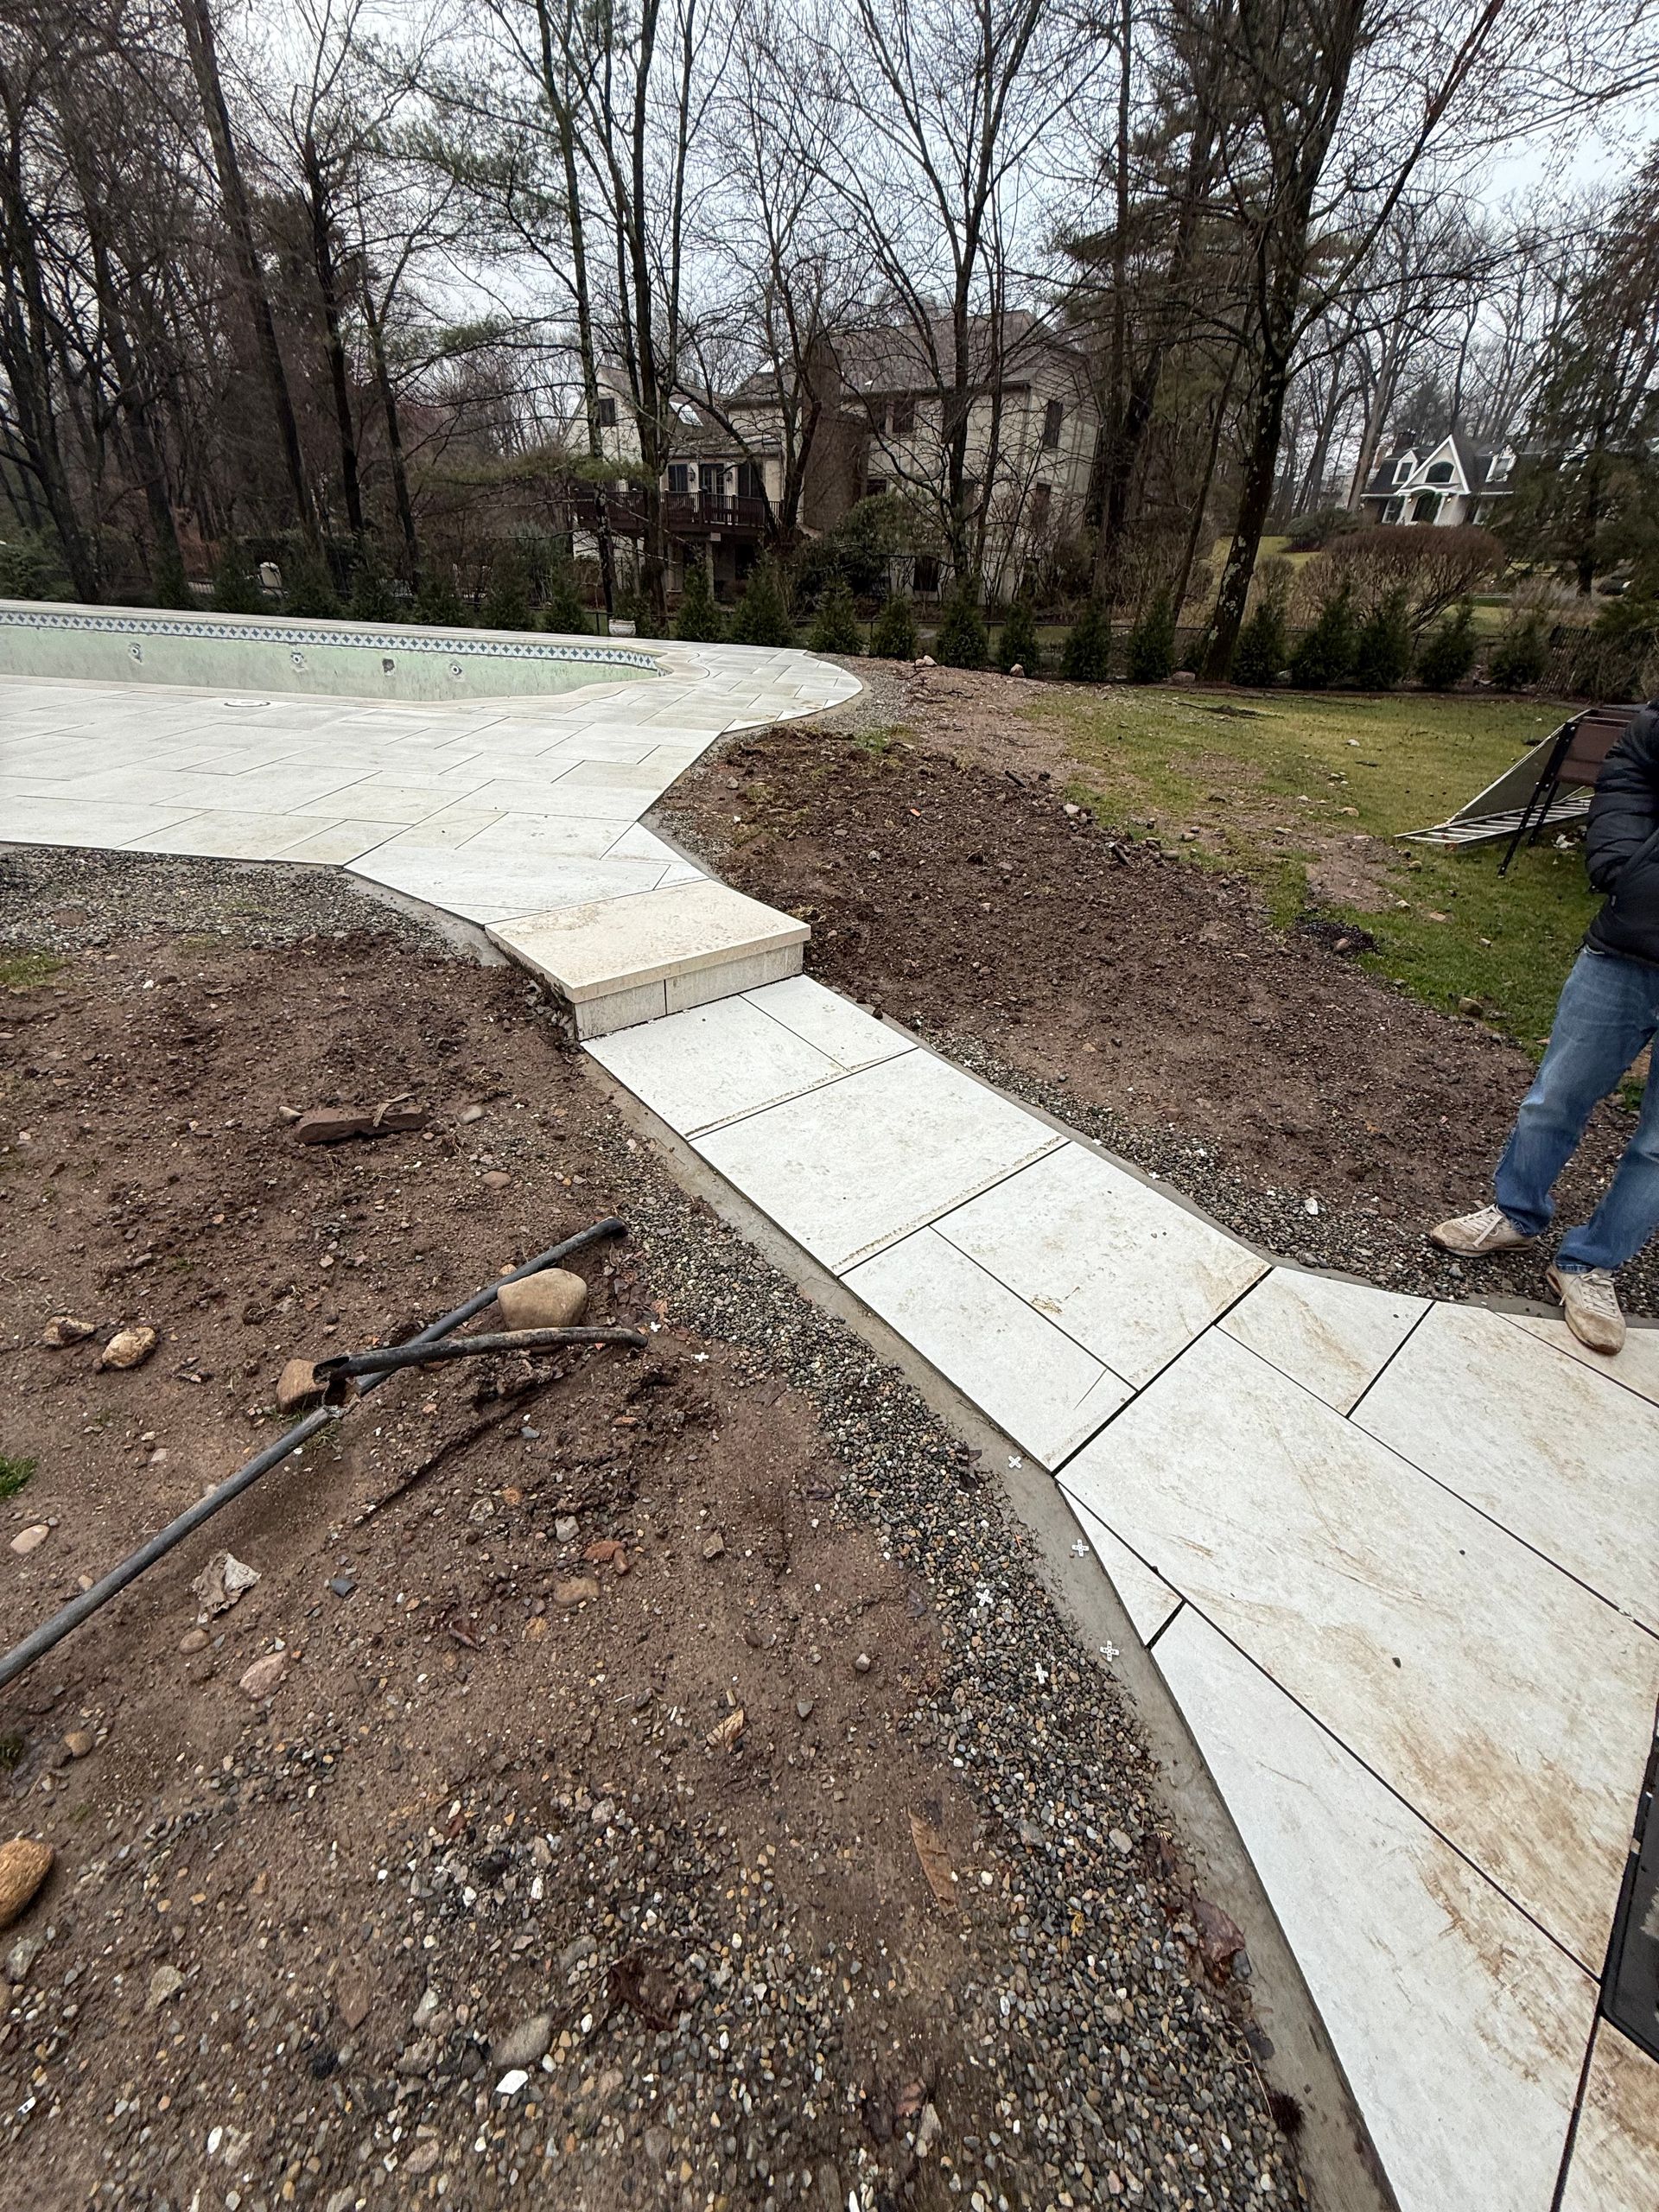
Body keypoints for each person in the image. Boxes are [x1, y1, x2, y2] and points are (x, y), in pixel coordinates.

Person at [1432, 696, 1659, 1355]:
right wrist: (1625, 865)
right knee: (1556, 1096)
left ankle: (1590, 1264)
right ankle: (1515, 1210)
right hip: (1630, 943)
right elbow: (1634, 766)